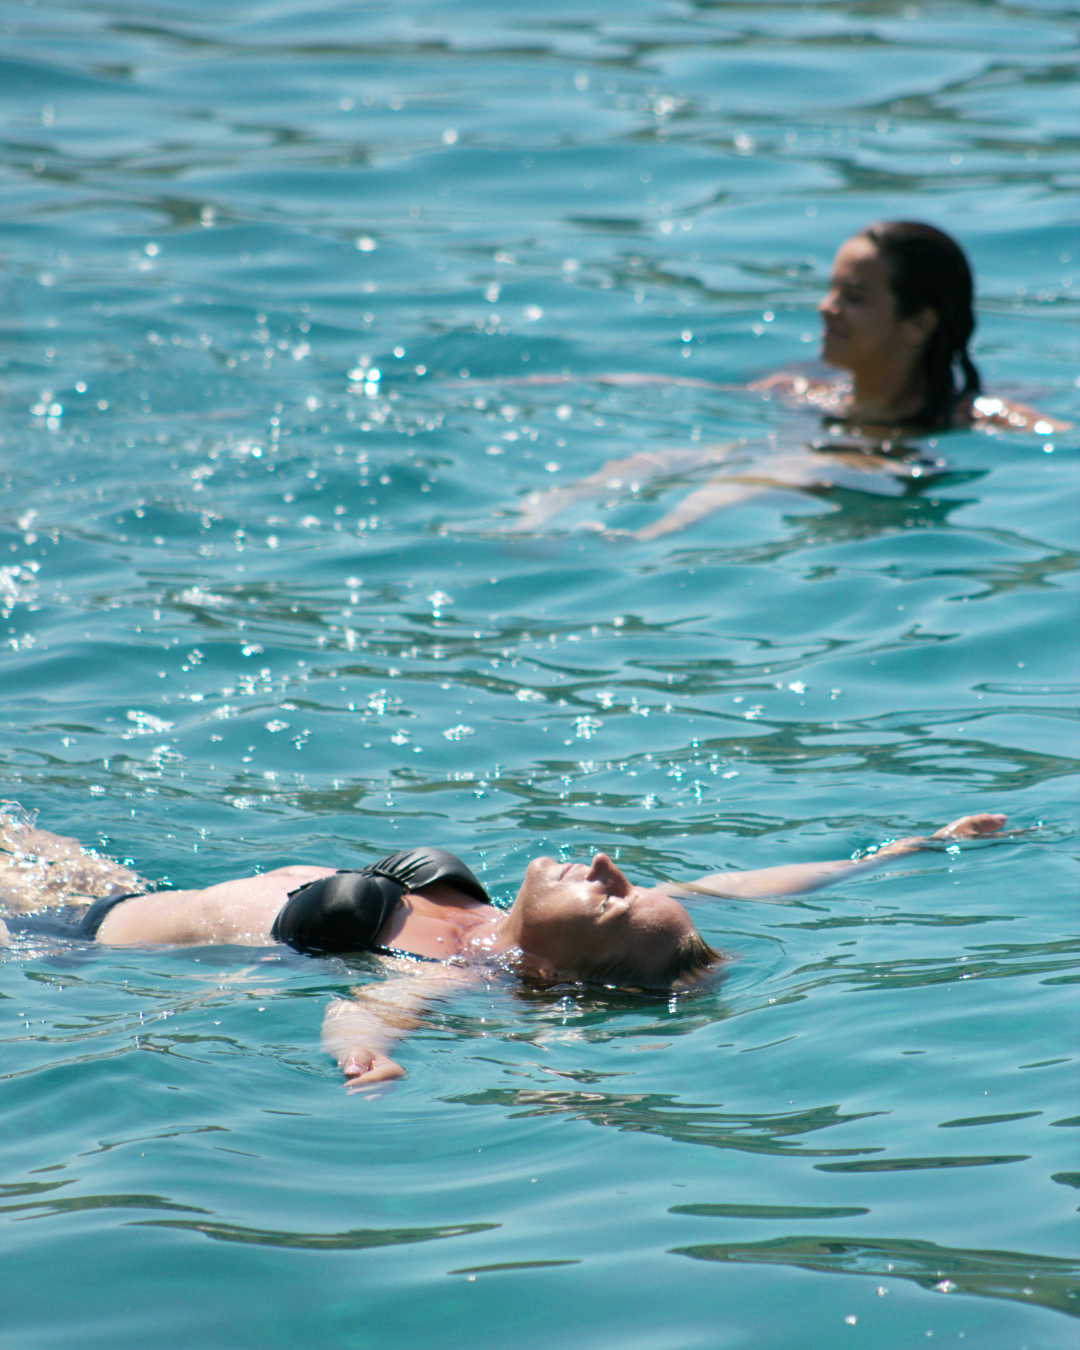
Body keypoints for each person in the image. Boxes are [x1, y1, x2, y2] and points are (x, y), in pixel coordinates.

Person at [1, 807, 1007, 1087]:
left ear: (561, 972)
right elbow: (756, 881)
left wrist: (360, 1052)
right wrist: (906, 849)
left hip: (63, 943)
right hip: (106, 886)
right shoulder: (485, 919)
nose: (612, 869)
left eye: (611, 906)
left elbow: (371, 1004)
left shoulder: (460, 969)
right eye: (631, 886)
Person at [500, 221, 1066, 538]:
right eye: (830, 290)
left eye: (854, 298)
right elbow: (673, 389)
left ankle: (640, 541)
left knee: (795, 464)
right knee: (657, 458)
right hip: (821, 462)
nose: (825, 308)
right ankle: (535, 520)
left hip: (891, 492)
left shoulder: (969, 415)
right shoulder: (804, 390)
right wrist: (555, 385)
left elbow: (1057, 436)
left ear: (918, 324)